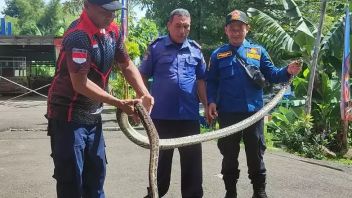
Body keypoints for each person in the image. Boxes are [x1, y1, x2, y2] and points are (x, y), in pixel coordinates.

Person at [46, 0, 154, 197]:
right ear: (87, 6)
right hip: (68, 117)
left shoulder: (113, 30)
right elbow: (80, 83)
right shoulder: (79, 35)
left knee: (96, 178)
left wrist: (144, 93)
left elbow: (127, 65)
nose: (111, 16)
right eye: (105, 11)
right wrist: (118, 103)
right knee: (72, 182)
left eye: (114, 11)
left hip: (93, 116)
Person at [206, 10, 302, 198]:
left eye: (240, 28)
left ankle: (259, 192)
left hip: (254, 114)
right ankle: (230, 192)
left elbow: (274, 74)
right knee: (229, 156)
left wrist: (288, 70)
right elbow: (212, 81)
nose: (236, 32)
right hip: (228, 115)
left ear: (247, 29)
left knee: (255, 154)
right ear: (226, 30)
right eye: (232, 29)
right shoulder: (218, 55)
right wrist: (211, 102)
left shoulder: (258, 52)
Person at [139, 8, 208, 198]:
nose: (182, 31)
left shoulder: (195, 50)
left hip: (189, 117)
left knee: (192, 165)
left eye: (186, 26)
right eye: (178, 26)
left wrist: (207, 104)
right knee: (160, 164)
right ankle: (154, 193)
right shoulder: (156, 48)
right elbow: (142, 75)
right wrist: (143, 101)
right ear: (169, 25)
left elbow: (201, 79)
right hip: (161, 117)